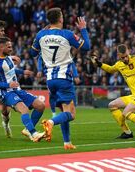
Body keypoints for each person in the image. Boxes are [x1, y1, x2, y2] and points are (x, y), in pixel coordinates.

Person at [30, 7, 90, 149]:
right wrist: (83, 29)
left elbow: (33, 53)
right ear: (60, 18)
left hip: (50, 80)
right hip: (64, 78)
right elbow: (86, 46)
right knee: (71, 113)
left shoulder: (40, 35)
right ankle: (50, 122)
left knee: (64, 110)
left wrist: (39, 36)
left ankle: (67, 142)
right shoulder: (67, 34)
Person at [91, 44, 135, 140]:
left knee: (126, 112)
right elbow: (111, 69)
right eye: (122, 57)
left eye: (126, 56)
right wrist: (99, 63)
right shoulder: (119, 65)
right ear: (118, 56)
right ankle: (127, 132)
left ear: (128, 52)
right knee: (112, 105)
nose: (125, 59)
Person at [0, 36, 46, 142]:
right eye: (9, 47)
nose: (11, 48)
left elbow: (11, 71)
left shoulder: (7, 57)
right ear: (1, 47)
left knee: (40, 106)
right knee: (23, 108)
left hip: (17, 89)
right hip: (6, 93)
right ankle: (34, 134)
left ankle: (28, 130)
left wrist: (23, 72)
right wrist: (8, 85)